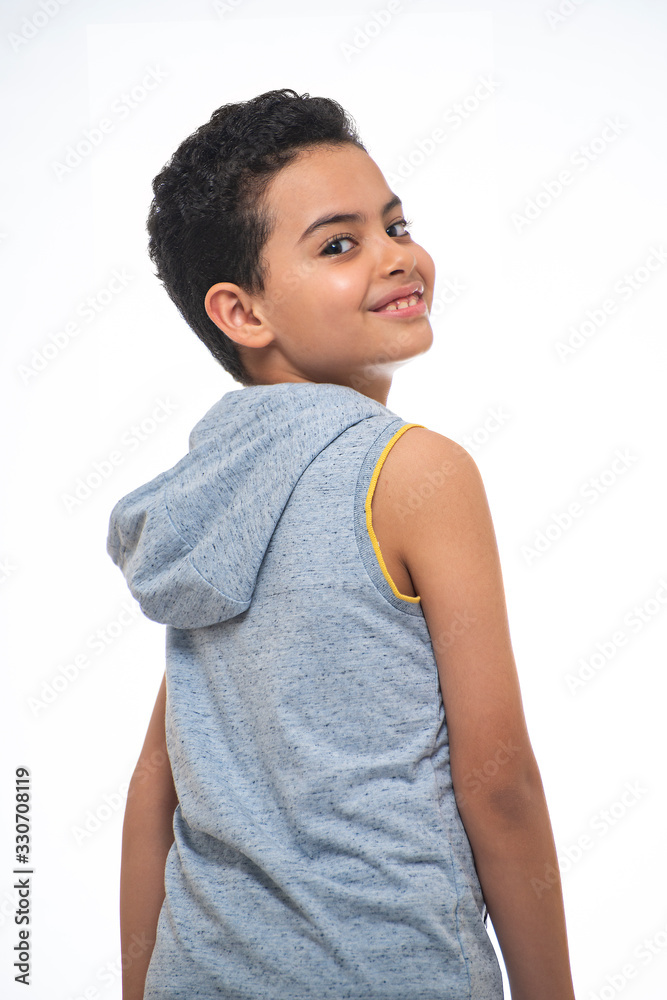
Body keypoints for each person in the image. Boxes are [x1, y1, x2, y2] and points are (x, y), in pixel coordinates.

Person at [107, 88, 577, 999]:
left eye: (395, 223)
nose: (396, 255)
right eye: (339, 243)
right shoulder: (414, 472)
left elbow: (151, 793)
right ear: (243, 313)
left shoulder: (211, 495)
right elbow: (500, 780)